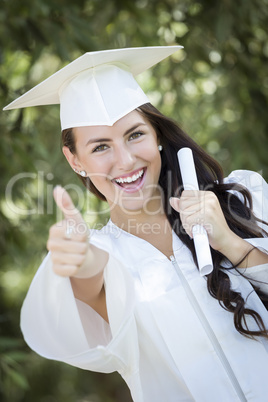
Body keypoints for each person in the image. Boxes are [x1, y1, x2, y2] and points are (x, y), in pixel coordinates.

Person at [4, 46, 268, 401]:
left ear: (156, 135)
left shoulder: (243, 198)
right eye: (100, 147)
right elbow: (92, 299)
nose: (125, 160)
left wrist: (233, 245)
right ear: (74, 159)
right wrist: (84, 265)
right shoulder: (104, 254)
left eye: (135, 135)